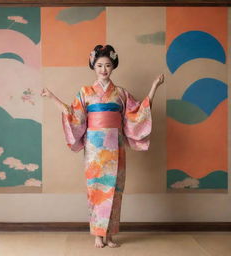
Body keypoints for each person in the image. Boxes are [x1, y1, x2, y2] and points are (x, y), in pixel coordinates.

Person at [41, 45, 164, 248]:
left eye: (107, 65)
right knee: (96, 190)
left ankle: (110, 235)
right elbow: (73, 115)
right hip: (95, 149)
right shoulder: (86, 92)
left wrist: (154, 87)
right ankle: (98, 235)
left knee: (115, 190)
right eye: (99, 65)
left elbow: (138, 113)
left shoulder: (120, 93)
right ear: (93, 66)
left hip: (116, 146)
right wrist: (52, 97)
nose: (103, 69)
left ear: (113, 66)